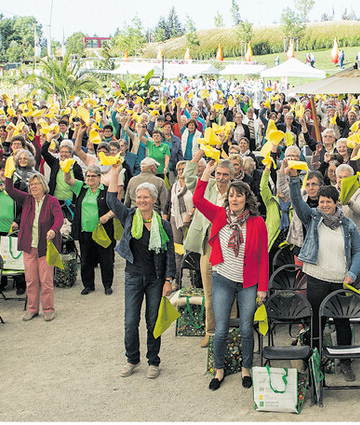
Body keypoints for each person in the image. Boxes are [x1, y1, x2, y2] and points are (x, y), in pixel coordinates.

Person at [193, 158, 269, 391]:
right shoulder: (218, 215)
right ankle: (219, 370)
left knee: (246, 328)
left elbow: (263, 257)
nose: (234, 199)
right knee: (221, 328)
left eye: (239, 195)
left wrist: (263, 287)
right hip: (223, 280)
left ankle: (246, 368)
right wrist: (206, 173)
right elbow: (197, 200)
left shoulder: (257, 222)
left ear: (247, 199)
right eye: (231, 196)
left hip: (248, 283)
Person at [287, 167, 360, 382]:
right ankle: (315, 360)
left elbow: (358, 251)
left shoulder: (348, 224)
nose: (324, 205)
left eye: (328, 201)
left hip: (340, 281)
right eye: (321, 201)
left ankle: (345, 362)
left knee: (342, 322)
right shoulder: (312, 218)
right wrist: (293, 180)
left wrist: (352, 272)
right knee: (316, 322)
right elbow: (298, 203)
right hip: (317, 279)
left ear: (336, 203)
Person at [105, 164, 177, 380]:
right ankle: (132, 359)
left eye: (146, 197)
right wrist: (115, 172)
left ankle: (153, 361)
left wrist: (168, 279)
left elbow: (170, 253)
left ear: (154, 200)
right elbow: (111, 200)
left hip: (156, 279)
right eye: (139, 197)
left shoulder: (163, 225)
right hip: (133, 276)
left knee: (153, 322)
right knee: (130, 321)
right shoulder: (129, 216)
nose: (142, 201)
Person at [182, 149, 235, 349]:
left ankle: (231, 331)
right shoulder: (208, 185)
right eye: (218, 174)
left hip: (230, 246)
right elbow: (188, 176)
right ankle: (210, 331)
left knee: (230, 290)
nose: (221, 178)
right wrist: (201, 154)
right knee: (209, 290)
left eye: (225, 175)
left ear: (232, 176)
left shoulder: (236, 191)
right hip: (208, 244)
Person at [4, 172, 63, 322]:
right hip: (29, 247)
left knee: (46, 280)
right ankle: (32, 309)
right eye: (31, 185)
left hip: (45, 247)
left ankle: (48, 309)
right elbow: (9, 190)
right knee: (30, 280)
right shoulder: (26, 199)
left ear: (43, 185)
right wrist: (9, 173)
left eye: (36, 184)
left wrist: (53, 230)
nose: (33, 187)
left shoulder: (52, 201)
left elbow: (59, 219)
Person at [65, 164, 119, 295]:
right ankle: (88, 285)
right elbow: (68, 180)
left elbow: (116, 207)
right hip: (85, 232)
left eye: (93, 176)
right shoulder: (82, 188)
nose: (90, 178)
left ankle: (107, 285)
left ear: (100, 177)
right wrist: (66, 170)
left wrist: (107, 216)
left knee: (105, 260)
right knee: (86, 261)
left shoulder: (106, 190)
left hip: (102, 232)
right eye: (88, 176)